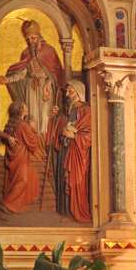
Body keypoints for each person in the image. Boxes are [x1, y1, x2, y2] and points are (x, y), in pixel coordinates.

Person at [0, 20, 64, 135]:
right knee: (32, 117)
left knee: (45, 118)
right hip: (31, 89)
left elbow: (56, 74)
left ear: (39, 36)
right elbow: (22, 73)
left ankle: (45, 146)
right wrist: (7, 79)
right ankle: (34, 146)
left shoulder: (49, 51)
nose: (30, 41)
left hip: (46, 90)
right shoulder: (26, 53)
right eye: (28, 39)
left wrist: (48, 83)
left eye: (33, 38)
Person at [49, 80, 91, 223]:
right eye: (67, 91)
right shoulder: (69, 110)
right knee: (63, 180)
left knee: (75, 181)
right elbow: (62, 125)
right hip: (65, 151)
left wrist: (75, 136)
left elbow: (91, 135)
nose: (67, 94)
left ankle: (76, 212)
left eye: (70, 91)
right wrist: (56, 118)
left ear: (78, 92)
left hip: (77, 153)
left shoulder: (86, 110)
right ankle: (66, 213)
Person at [0, 101, 42, 214]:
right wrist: (34, 129)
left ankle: (16, 204)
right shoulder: (23, 125)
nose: (27, 108)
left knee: (23, 178)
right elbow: (32, 142)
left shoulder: (13, 123)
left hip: (13, 155)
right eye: (25, 107)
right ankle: (7, 204)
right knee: (22, 180)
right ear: (21, 110)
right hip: (20, 156)